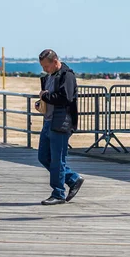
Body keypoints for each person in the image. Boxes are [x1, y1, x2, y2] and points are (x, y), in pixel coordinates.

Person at [36, 49, 84, 205]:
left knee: (58, 160)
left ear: (55, 61)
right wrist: (41, 102)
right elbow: (50, 97)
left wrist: (45, 96)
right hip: (48, 121)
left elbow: (65, 97)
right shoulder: (49, 76)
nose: (44, 69)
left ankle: (58, 193)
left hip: (61, 122)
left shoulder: (67, 75)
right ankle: (73, 178)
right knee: (43, 157)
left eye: (45, 66)